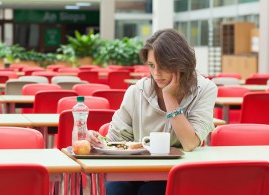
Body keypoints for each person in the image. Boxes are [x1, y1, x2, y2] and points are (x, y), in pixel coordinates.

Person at [87, 28, 217, 195]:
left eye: (163, 66)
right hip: (134, 170)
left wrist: (169, 97)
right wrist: (98, 140)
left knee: (151, 191)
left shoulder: (204, 89)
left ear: (181, 64)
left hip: (175, 173)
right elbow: (115, 139)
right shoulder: (137, 91)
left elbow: (190, 143)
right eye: (151, 65)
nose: (156, 73)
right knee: (116, 189)